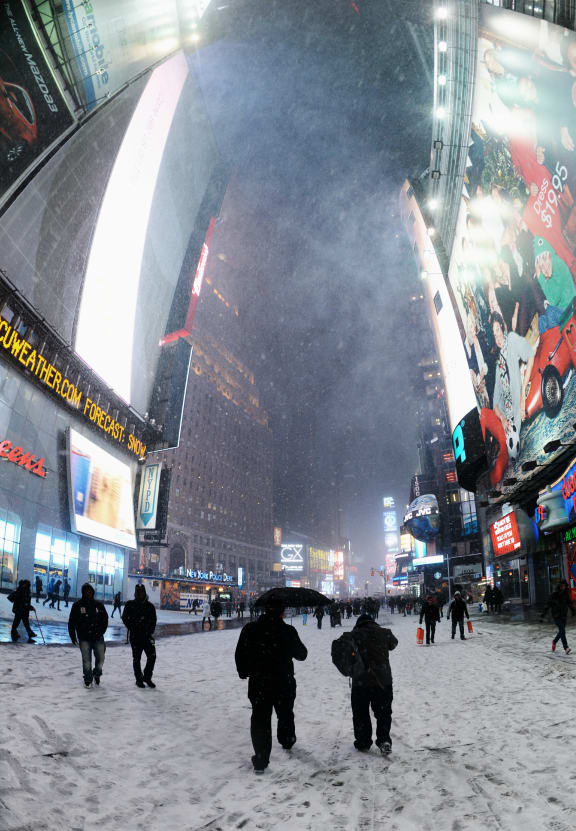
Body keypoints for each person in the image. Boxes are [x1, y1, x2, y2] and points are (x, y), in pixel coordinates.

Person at [235, 597, 308, 773]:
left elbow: (240, 653)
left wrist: (243, 671)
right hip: (284, 681)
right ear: (282, 612)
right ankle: (287, 739)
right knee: (285, 713)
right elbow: (302, 654)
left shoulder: (251, 629)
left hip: (259, 682)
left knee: (260, 719)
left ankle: (261, 758)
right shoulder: (288, 631)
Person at [349, 613, 398, 754]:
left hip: (360, 681)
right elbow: (393, 644)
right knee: (383, 712)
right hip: (383, 680)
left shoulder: (354, 634)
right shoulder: (384, 633)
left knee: (361, 712)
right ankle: (384, 740)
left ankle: (363, 741)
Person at [68, 583, 108, 687]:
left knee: (101, 658)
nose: (88, 593)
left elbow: (105, 619)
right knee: (86, 660)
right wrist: (72, 635)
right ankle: (88, 678)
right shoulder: (77, 605)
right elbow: (72, 622)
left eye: (90, 591)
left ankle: (97, 673)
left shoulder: (98, 605)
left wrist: (101, 631)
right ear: (83, 593)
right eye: (86, 591)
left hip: (98, 637)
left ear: (93, 592)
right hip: (84, 637)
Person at [122, 584, 157, 687]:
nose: (141, 594)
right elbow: (124, 618)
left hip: (147, 636)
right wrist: (132, 627)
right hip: (135, 636)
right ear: (136, 593)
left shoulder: (150, 606)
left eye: (142, 592)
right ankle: (139, 679)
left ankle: (147, 677)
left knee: (152, 657)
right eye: (139, 592)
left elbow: (153, 620)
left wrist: (150, 631)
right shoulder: (130, 604)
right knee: (137, 659)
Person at [540, 579, 575, 654]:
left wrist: (573, 611)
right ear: (559, 586)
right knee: (562, 631)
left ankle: (554, 641)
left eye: (565, 586)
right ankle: (566, 648)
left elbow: (570, 603)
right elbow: (548, 605)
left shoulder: (566, 594)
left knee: (561, 631)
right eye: (562, 586)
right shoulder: (554, 594)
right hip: (556, 616)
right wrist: (543, 615)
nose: (563, 587)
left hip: (563, 615)